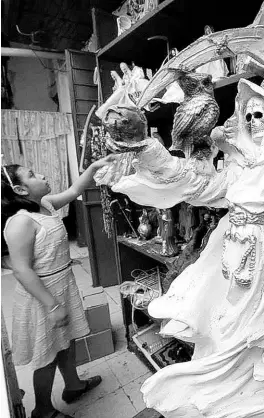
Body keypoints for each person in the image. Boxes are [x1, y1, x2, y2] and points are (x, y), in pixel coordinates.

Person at [94, 78, 264, 417]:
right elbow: (197, 184)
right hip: (233, 261)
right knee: (225, 332)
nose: (254, 123)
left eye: (260, 115)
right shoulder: (240, 166)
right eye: (248, 116)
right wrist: (150, 151)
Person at [1, 154, 117, 418]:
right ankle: (41, 410)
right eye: (32, 174)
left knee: (66, 340)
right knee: (48, 354)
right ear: (20, 190)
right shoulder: (20, 221)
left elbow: (76, 190)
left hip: (62, 283)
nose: (41, 175)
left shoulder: (45, 205)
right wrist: (51, 305)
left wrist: (95, 166)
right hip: (42, 295)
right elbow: (21, 269)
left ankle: (73, 386)